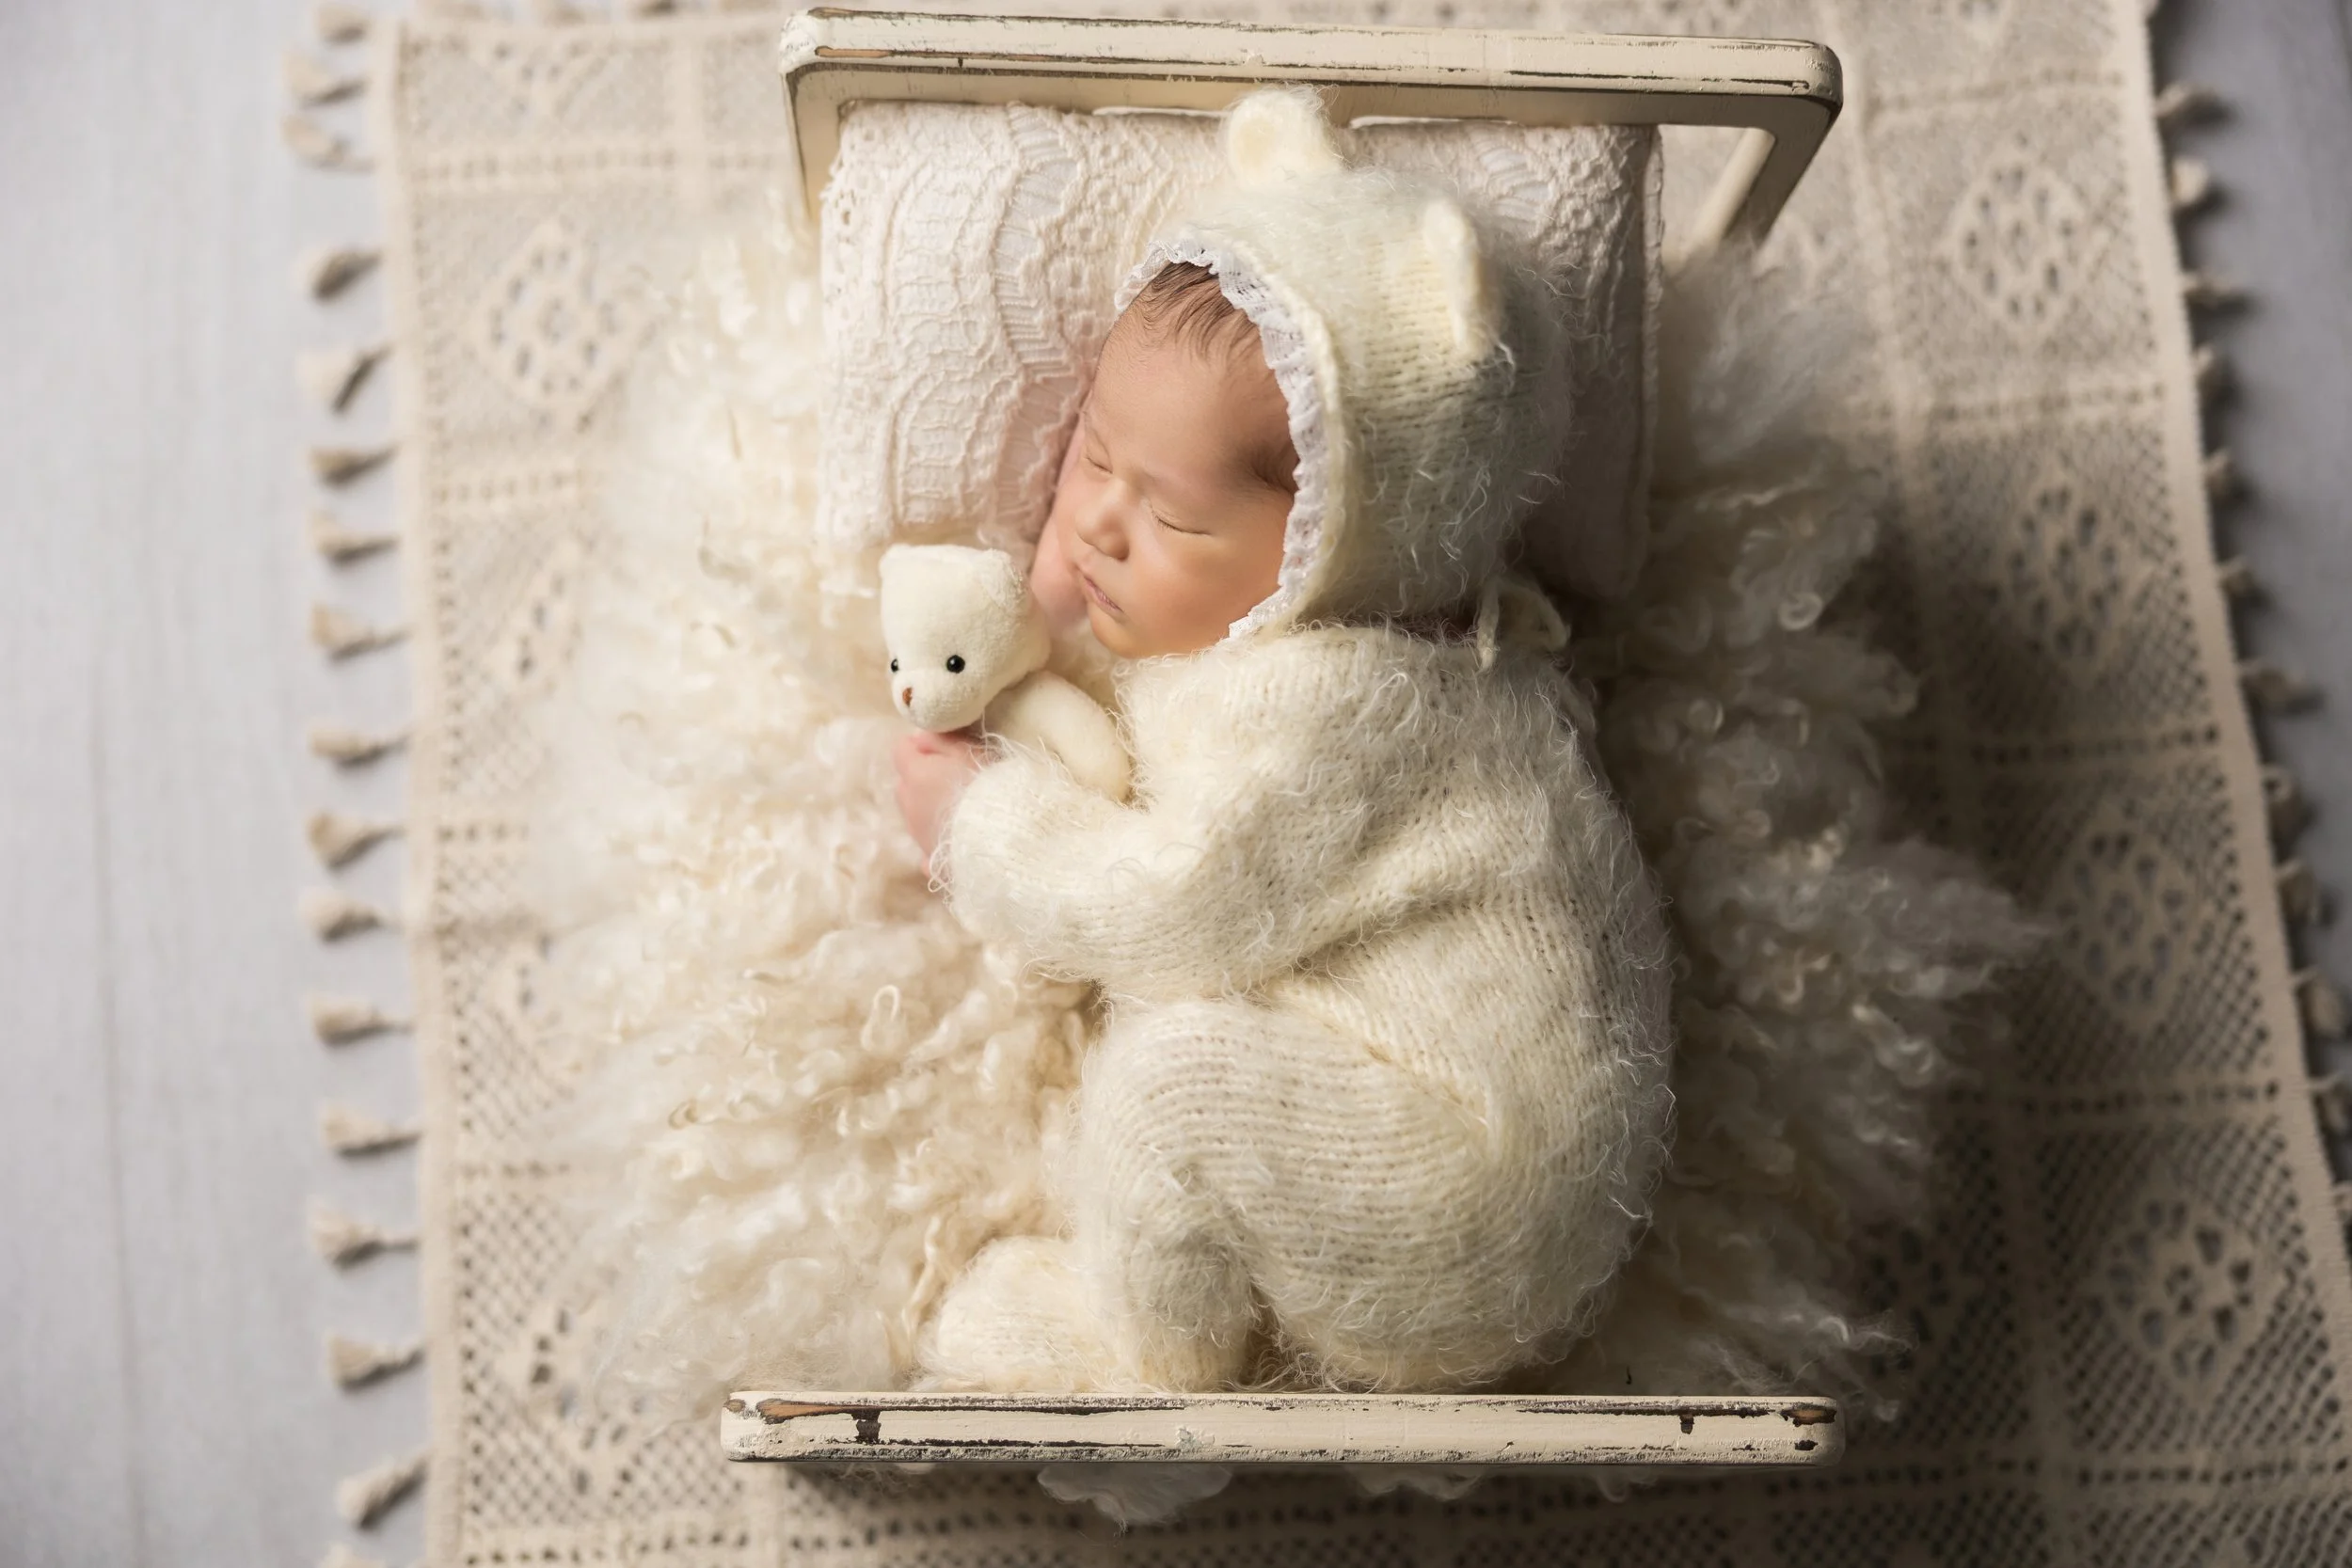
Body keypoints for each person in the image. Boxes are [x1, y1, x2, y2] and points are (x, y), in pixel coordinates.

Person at [894, 88, 1675, 1394]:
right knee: (1184, 1079)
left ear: (1330, 552)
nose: (1096, 525)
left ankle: (1145, 1372)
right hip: (1491, 1151)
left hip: (1473, 1172)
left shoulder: (1336, 709)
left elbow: (1181, 899)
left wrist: (980, 824)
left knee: (1172, 1097)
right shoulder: (1408, 658)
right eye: (1094, 455)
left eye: (1172, 519)